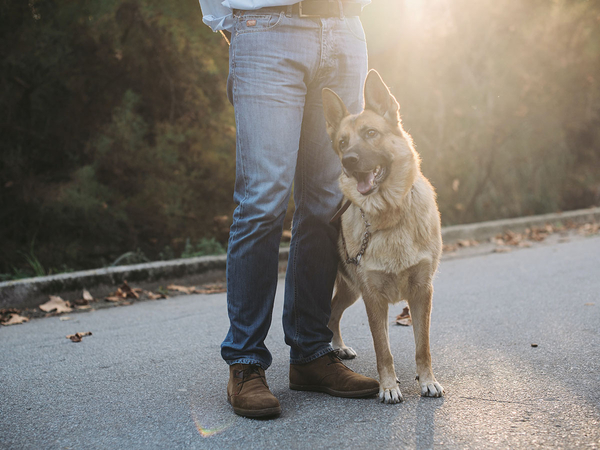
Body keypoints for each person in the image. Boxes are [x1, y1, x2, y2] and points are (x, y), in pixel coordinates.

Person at [197, 0, 378, 418]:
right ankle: (245, 362)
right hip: (265, 29)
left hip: (344, 27)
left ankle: (312, 353)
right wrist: (232, 22)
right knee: (263, 199)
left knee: (326, 203)